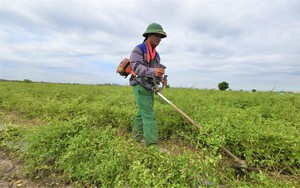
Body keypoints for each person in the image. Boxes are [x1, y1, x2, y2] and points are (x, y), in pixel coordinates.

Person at [129, 23, 167, 147]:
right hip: (140, 85)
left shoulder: (156, 55)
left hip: (150, 87)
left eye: (161, 36)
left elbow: (155, 73)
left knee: (142, 113)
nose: (159, 38)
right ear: (148, 35)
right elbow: (136, 67)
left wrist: (161, 78)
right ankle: (152, 146)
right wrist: (153, 71)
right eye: (156, 35)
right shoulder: (139, 49)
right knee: (149, 115)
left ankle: (136, 137)